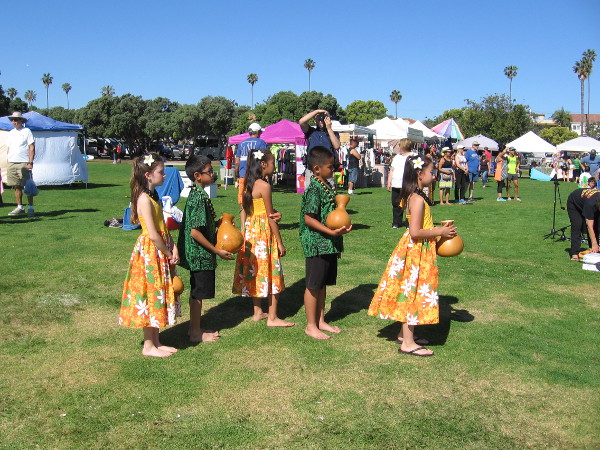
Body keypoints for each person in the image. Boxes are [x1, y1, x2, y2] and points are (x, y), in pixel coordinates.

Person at [368, 155, 457, 357]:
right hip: (416, 250)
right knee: (412, 294)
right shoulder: (416, 199)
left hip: (415, 249)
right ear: (419, 174)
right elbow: (416, 232)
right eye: (431, 172)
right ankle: (408, 343)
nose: (434, 176)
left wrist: (436, 229)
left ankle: (404, 334)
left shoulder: (415, 196)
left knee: (412, 292)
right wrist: (439, 232)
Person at [118, 153, 180, 357]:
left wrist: (173, 247)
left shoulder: (154, 196)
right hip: (151, 252)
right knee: (150, 292)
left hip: (160, 249)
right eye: (161, 172)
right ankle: (148, 345)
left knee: (158, 293)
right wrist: (168, 251)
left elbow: (162, 228)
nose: (164, 175)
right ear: (148, 175)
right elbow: (153, 234)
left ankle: (155, 340)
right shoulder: (144, 199)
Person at [232, 149, 294, 327]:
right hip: (263, 233)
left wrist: (244, 230)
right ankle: (273, 317)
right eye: (273, 162)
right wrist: (280, 242)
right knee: (272, 271)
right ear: (263, 164)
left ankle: (257, 311)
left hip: (251, 232)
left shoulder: (247, 183)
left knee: (255, 271)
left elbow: (243, 209)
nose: (275, 166)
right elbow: (270, 216)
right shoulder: (264, 186)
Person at [178, 154, 234, 343]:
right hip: (199, 254)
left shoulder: (199, 194)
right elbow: (195, 232)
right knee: (198, 293)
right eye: (209, 171)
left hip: (199, 253)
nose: (213, 174)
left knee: (198, 292)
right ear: (197, 176)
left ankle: (196, 327)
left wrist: (218, 223)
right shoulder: (199, 198)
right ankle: (195, 332)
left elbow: (201, 224)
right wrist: (216, 250)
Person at [300, 146, 352, 339]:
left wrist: (343, 225)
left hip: (328, 242)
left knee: (322, 284)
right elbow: (309, 218)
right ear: (316, 169)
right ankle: (310, 325)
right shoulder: (314, 188)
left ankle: (320, 320)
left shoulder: (327, 185)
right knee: (313, 285)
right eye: (331, 167)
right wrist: (330, 230)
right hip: (316, 243)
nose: (334, 170)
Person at [236, 123, 267, 226]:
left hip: (243, 175)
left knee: (243, 200)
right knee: (257, 199)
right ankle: (257, 222)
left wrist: (237, 174)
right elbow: (265, 159)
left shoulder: (241, 144)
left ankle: (243, 226)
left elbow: (237, 161)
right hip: (256, 175)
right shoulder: (261, 142)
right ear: (258, 132)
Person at [6, 112, 35, 217]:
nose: (14, 122)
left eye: (16, 120)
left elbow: (31, 147)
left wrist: (30, 162)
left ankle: (31, 207)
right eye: (12, 120)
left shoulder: (27, 131)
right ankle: (20, 207)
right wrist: (8, 159)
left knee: (28, 186)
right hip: (12, 162)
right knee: (16, 186)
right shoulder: (11, 133)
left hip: (23, 162)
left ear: (21, 120)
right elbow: (9, 148)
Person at [566, 187, 600, 261]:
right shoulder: (591, 204)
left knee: (596, 226)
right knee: (577, 225)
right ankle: (574, 253)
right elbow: (589, 226)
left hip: (586, 201)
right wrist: (594, 243)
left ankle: (594, 251)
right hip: (574, 203)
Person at [387, 138, 415, 228]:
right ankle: (396, 222)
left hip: (408, 184)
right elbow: (392, 170)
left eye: (399, 145)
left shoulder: (413, 156)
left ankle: (409, 222)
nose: (398, 147)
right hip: (396, 184)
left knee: (408, 204)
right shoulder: (397, 157)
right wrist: (389, 182)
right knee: (396, 203)